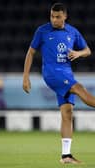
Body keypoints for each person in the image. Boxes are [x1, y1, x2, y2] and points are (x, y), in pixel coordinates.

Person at [22, 2, 93, 164]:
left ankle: (66, 156)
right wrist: (26, 76)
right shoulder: (42, 31)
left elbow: (87, 50)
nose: (54, 20)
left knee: (67, 113)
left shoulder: (73, 32)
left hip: (67, 73)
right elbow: (30, 52)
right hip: (52, 73)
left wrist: (78, 53)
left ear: (65, 16)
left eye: (58, 17)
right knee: (80, 88)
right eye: (52, 16)